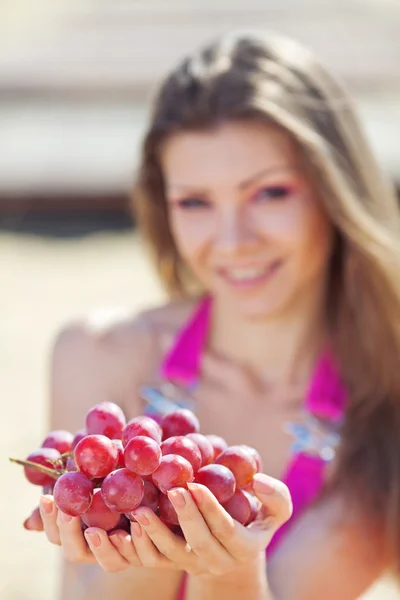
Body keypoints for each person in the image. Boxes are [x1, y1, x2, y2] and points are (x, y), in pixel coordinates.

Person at [24, 29, 400, 600]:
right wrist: (140, 545)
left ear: (334, 192)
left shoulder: (383, 409)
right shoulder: (97, 354)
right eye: (195, 201)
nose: (233, 241)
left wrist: (226, 575)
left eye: (270, 193)